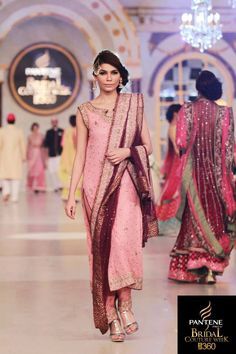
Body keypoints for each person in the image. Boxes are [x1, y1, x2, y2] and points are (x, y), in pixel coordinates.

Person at [65, 50, 158, 341]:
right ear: (95, 76)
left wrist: (127, 151)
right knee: (102, 250)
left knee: (122, 243)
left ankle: (126, 304)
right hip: (95, 186)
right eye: (103, 72)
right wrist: (71, 195)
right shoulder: (85, 111)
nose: (108, 78)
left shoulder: (133, 105)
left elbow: (148, 145)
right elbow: (80, 155)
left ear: (121, 77)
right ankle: (111, 313)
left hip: (127, 184)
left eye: (113, 73)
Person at [168, 70, 236, 284]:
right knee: (216, 219)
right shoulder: (226, 114)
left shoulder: (187, 110)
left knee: (194, 218)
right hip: (219, 180)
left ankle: (194, 267)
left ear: (197, 88)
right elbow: (230, 149)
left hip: (194, 177)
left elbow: (181, 142)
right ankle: (211, 269)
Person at [157, 104, 182, 221]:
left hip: (181, 161)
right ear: (176, 113)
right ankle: (170, 216)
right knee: (175, 188)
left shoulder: (176, 127)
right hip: (179, 162)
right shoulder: (173, 127)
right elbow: (177, 149)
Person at [0, 113, 26, 202]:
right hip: (16, 158)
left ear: (7, 121)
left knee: (4, 176)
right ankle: (14, 197)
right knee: (15, 178)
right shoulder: (19, 131)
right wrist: (24, 156)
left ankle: (6, 191)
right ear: (14, 121)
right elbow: (23, 145)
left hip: (4, 157)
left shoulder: (2, 131)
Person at [58, 115, 81, 201]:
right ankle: (76, 195)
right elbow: (77, 144)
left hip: (66, 156)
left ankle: (66, 195)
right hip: (76, 154)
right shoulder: (79, 131)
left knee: (67, 173)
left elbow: (62, 144)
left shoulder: (66, 131)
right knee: (77, 173)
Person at [44, 118, 63, 192]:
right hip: (51, 155)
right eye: (53, 122)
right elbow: (46, 144)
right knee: (52, 171)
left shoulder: (62, 131)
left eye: (55, 121)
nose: (54, 123)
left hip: (60, 155)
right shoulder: (48, 132)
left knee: (59, 171)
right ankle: (55, 186)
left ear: (57, 122)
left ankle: (60, 185)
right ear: (51, 123)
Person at [26, 122, 46, 193]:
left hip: (39, 154)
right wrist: (27, 156)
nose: (35, 129)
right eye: (34, 128)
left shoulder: (41, 136)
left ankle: (39, 187)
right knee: (32, 171)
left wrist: (45, 157)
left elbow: (43, 147)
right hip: (32, 154)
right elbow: (28, 147)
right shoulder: (29, 136)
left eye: (36, 128)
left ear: (38, 128)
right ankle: (33, 187)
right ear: (32, 128)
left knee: (40, 170)